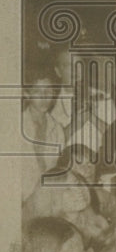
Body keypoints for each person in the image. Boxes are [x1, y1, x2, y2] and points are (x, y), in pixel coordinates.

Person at [21, 66, 65, 201]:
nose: (44, 97)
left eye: (49, 90)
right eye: (37, 91)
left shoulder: (57, 129)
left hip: (47, 198)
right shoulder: (14, 125)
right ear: (26, 94)